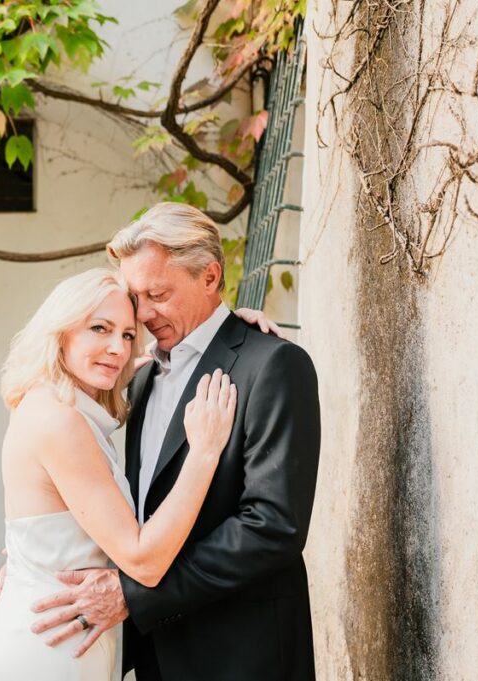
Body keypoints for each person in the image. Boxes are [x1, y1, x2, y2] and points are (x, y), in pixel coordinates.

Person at [29, 202, 321, 680]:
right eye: (135, 297)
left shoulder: (273, 366)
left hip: (242, 654)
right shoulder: (139, 375)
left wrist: (133, 594)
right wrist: (35, 562)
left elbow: (274, 527)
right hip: (158, 656)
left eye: (158, 294)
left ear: (210, 278)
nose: (142, 314)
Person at [0, 267, 272, 680]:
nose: (117, 348)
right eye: (99, 328)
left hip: (63, 633)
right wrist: (203, 453)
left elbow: (169, 361)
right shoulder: (60, 421)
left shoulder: (57, 403)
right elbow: (143, 561)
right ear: (61, 332)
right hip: (53, 645)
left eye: (128, 335)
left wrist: (235, 332)